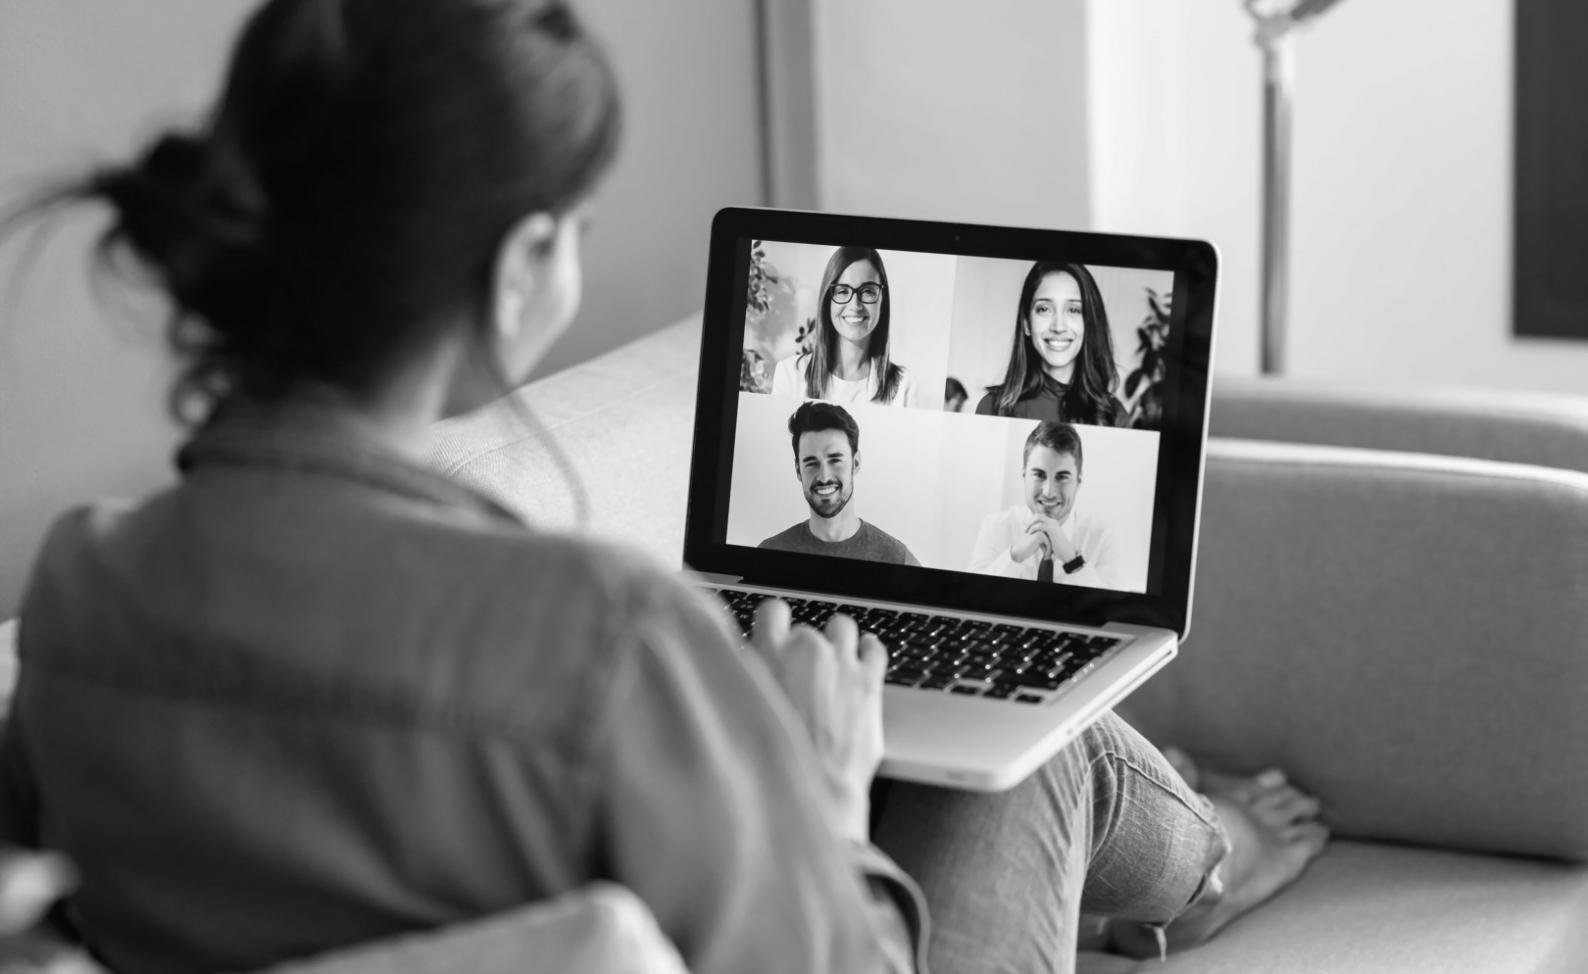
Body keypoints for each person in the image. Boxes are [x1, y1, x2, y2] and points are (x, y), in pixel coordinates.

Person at [0, 2, 1328, 972]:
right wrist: (820, 796)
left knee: (981, 709)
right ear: (521, 265)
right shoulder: (601, 638)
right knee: (1021, 762)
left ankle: (1199, 852)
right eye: (576, 225)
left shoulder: (78, 592)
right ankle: (1204, 868)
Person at [758, 401, 921, 566]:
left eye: (835, 460)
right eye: (811, 463)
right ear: (798, 471)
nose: (823, 476)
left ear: (855, 463)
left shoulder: (898, 560)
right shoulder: (768, 555)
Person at [968, 421, 1124, 590]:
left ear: (1078, 481)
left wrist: (1073, 560)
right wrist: (1014, 556)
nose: (1049, 492)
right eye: (1039, 475)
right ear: (1024, 474)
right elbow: (970, 595)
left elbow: (1109, 609)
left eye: (1062, 477)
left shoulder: (1102, 536)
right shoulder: (995, 526)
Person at [975, 261, 1130, 426]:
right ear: (1027, 323)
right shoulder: (992, 408)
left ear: (1089, 324)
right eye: (1044, 309)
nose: (1058, 326)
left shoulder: (1114, 417)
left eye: (1073, 310)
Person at [770, 247, 918, 406]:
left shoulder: (903, 385)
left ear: (883, 301)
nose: (855, 305)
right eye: (842, 291)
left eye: (868, 291)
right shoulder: (790, 374)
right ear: (828, 301)